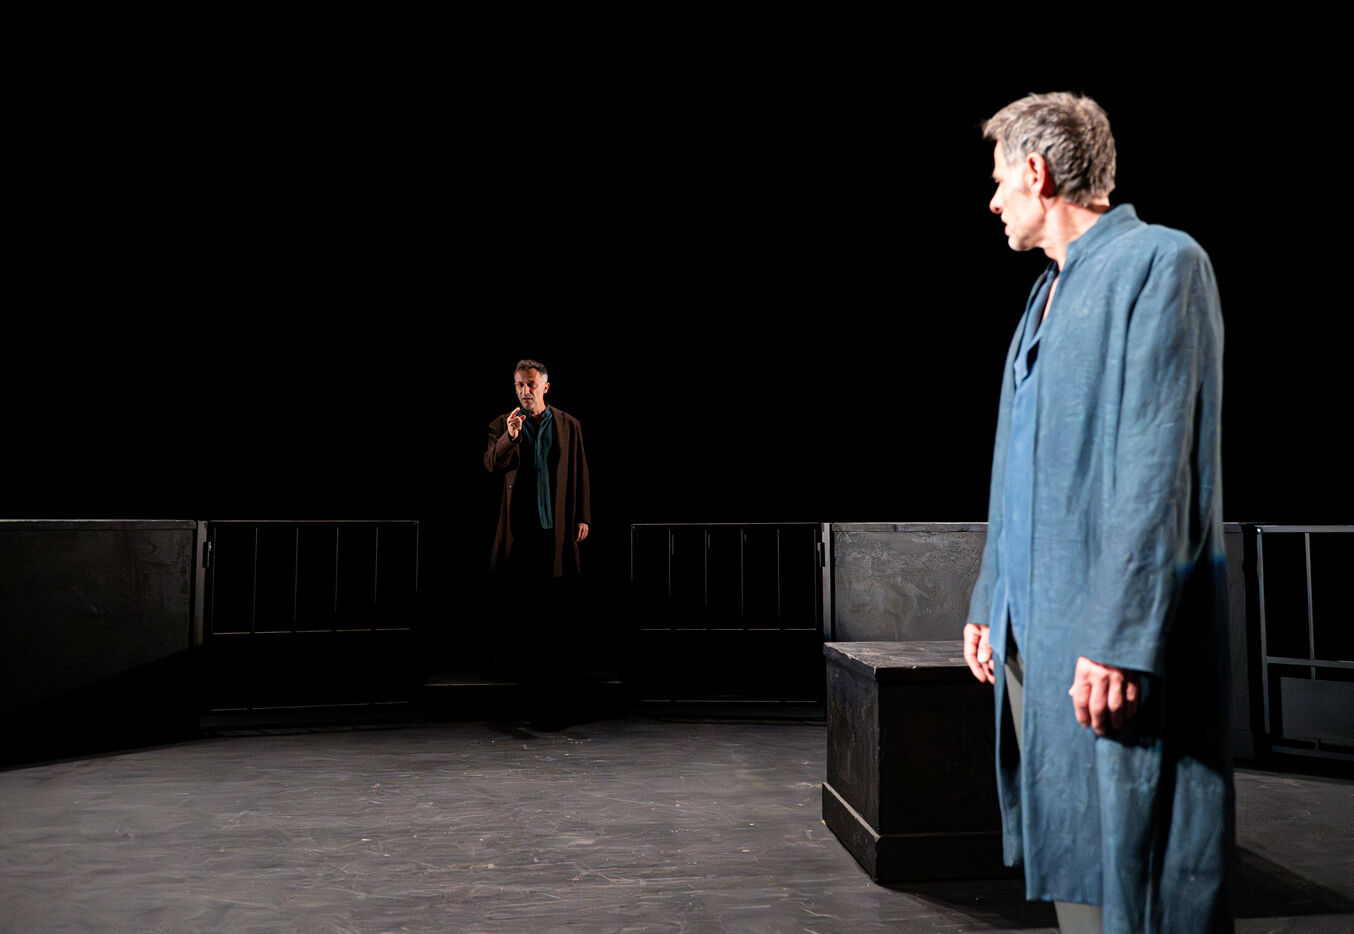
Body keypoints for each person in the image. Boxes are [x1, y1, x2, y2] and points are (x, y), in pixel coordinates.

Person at [962, 92, 1232, 933]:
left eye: (999, 180)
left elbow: (1160, 467)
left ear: (1036, 172)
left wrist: (1119, 638)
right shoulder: (1044, 296)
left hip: (1108, 645)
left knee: (1143, 873)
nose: (994, 200)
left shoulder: (1162, 263)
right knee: (1080, 874)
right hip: (1037, 637)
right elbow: (1014, 466)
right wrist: (990, 600)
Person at [484, 358, 591, 584]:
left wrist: (583, 516)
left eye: (531, 384)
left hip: (554, 518)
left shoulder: (569, 425)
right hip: (518, 522)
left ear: (545, 387)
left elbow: (580, 471)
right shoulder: (502, 424)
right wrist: (510, 437)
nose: (525, 391)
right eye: (520, 385)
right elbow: (491, 463)